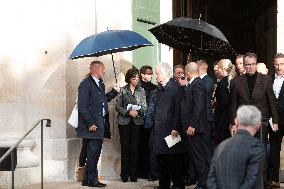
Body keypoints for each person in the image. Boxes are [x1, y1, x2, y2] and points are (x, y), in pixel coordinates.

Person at [230, 52, 279, 187]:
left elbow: (272, 102)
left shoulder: (266, 80)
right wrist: (233, 123)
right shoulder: (236, 82)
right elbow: (233, 105)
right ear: (244, 66)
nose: (250, 67)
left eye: (252, 64)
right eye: (247, 65)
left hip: (261, 124)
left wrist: (275, 121)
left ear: (256, 65)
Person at [77, 61, 120, 187]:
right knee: (92, 154)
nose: (104, 71)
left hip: (100, 125)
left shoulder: (100, 83)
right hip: (92, 126)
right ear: (96, 69)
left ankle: (87, 179)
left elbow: (103, 101)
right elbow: (82, 106)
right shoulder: (85, 84)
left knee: (94, 154)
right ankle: (92, 180)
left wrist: (114, 92)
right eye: (103, 69)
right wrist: (90, 123)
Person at [207, 105, 265, 189]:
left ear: (236, 121)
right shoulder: (255, 146)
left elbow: (211, 180)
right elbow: (253, 181)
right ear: (258, 125)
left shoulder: (221, 146)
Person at [153, 62, 187, 189]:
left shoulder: (175, 88)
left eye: (158, 73)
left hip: (171, 131)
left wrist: (176, 128)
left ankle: (178, 185)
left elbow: (179, 110)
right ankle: (164, 185)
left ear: (165, 73)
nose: (156, 76)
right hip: (160, 131)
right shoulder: (161, 89)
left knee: (173, 161)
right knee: (162, 160)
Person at [181, 62, 210, 189]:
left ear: (187, 73)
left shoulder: (197, 84)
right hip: (193, 128)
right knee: (196, 155)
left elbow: (199, 107)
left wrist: (192, 125)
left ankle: (204, 184)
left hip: (196, 129)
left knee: (199, 157)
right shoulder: (194, 83)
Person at [115, 68, 147, 183]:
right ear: (129, 79)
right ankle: (124, 175)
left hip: (137, 122)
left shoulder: (141, 90)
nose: (136, 80)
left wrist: (138, 112)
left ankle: (133, 175)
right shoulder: (123, 90)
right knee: (125, 148)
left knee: (135, 148)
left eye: (138, 78)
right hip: (124, 122)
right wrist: (128, 112)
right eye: (134, 78)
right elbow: (117, 107)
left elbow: (145, 107)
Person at [138, 65, 158, 180]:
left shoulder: (155, 88)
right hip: (139, 121)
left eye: (151, 73)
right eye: (148, 73)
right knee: (140, 147)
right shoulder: (137, 87)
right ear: (142, 74)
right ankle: (141, 171)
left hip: (151, 122)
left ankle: (150, 171)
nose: (151, 75)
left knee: (150, 147)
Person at [268, 53, 284, 188]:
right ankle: (275, 179)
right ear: (273, 64)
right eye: (277, 64)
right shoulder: (269, 79)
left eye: (282, 64)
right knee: (274, 150)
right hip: (274, 121)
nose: (279, 66)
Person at [213, 59, 234, 147]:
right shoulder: (233, 81)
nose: (217, 71)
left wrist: (215, 108)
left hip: (223, 119)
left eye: (218, 69)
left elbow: (224, 102)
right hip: (231, 117)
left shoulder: (222, 83)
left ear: (222, 69)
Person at [196, 60, 214, 158]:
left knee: (206, 147)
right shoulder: (200, 80)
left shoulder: (208, 80)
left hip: (206, 118)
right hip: (200, 118)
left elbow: (202, 94)